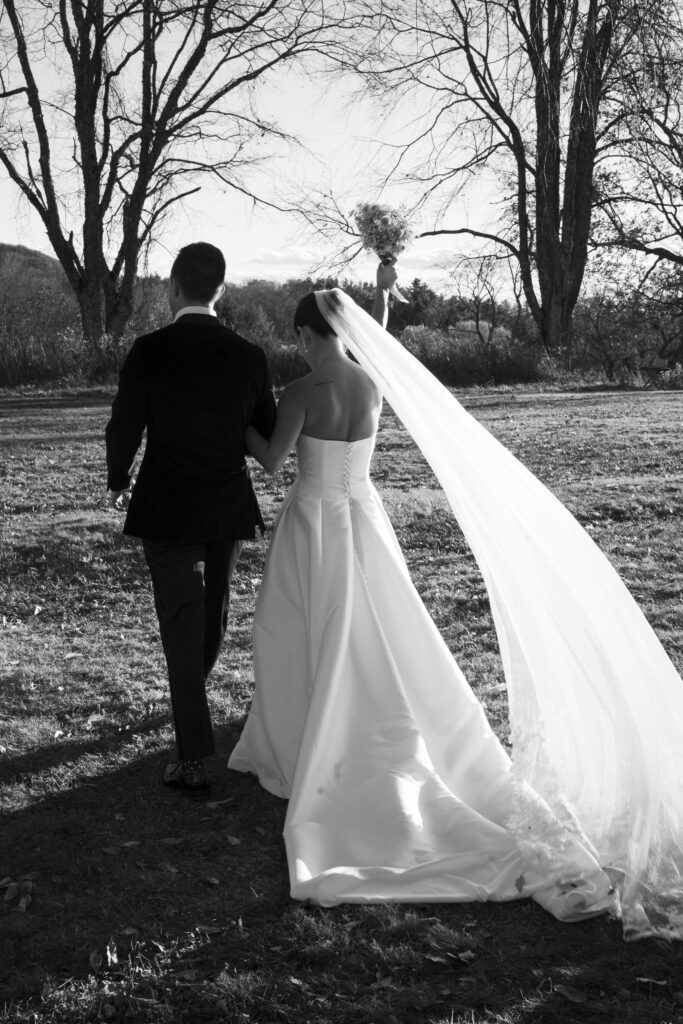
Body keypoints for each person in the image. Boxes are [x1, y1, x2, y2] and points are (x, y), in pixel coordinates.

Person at [229, 265, 683, 940]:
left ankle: (305, 740)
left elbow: (272, 461)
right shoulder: (374, 384)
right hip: (361, 518)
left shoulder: (299, 388)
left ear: (303, 332)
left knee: (298, 626)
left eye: (297, 334)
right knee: (374, 626)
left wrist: (239, 422)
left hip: (313, 524)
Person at [106, 242, 276, 800]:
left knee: (183, 626)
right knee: (212, 615)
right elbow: (266, 431)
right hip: (226, 504)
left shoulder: (150, 350)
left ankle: (192, 756)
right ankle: (190, 706)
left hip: (168, 504)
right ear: (221, 291)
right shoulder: (250, 356)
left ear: (174, 286)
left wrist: (117, 477)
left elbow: (125, 422)